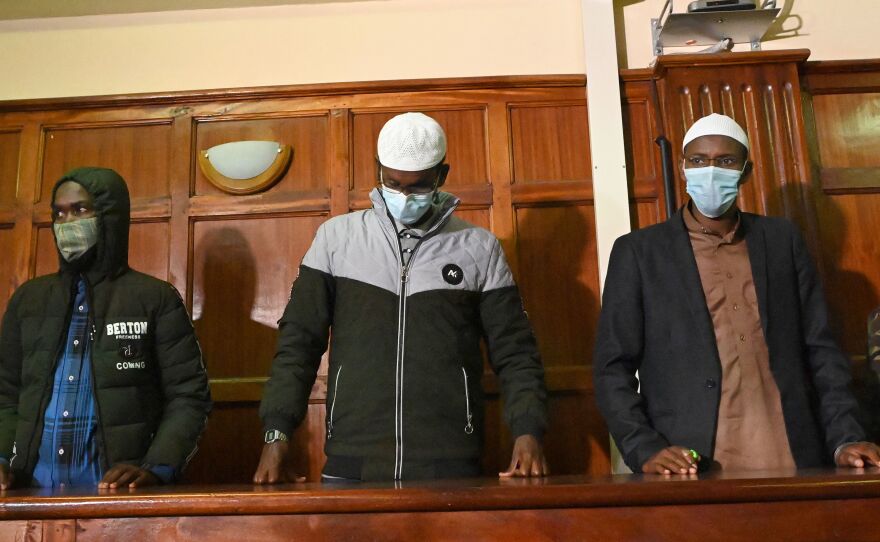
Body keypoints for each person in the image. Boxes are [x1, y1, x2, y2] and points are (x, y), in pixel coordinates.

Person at [254, 112, 548, 482]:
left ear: (442, 175)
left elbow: (516, 351)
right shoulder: (335, 240)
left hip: (451, 465)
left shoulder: (479, 248)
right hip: (352, 463)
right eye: (393, 183)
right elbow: (298, 343)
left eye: (419, 186)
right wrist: (276, 435)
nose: (405, 197)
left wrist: (528, 430)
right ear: (378, 170)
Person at [593, 113, 880, 475]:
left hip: (793, 454)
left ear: (745, 171)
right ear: (683, 169)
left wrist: (845, 437)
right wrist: (644, 447)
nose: (710, 171)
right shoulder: (640, 252)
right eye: (698, 160)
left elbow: (821, 350)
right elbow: (611, 368)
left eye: (725, 161)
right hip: (687, 462)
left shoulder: (781, 241)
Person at [0, 167, 211, 489]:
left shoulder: (153, 298)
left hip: (119, 497)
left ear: (110, 215)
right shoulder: (29, 300)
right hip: (30, 494)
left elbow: (188, 396)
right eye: (59, 213)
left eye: (81, 210)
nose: (68, 223)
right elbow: (5, 395)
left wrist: (158, 467)